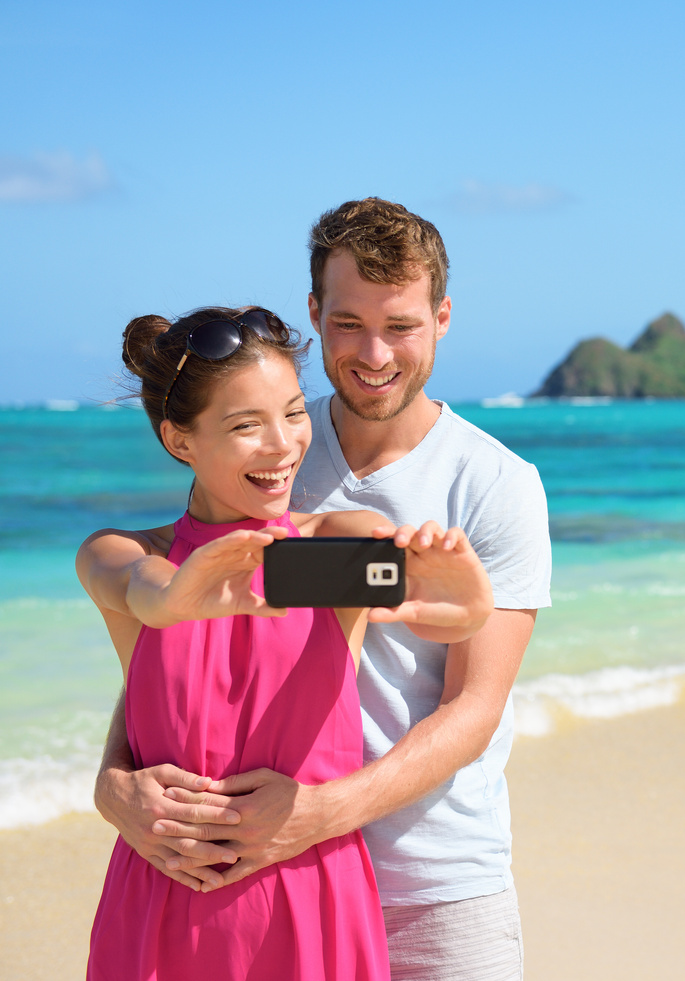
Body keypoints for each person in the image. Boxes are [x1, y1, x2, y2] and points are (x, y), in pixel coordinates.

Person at [92, 198, 552, 980]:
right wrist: (115, 783)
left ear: (441, 318)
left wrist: (314, 815)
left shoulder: (493, 483)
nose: (374, 353)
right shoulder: (271, 460)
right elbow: (171, 639)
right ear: (315, 312)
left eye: (401, 325)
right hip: (245, 875)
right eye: (347, 324)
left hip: (430, 881)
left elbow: (474, 706)